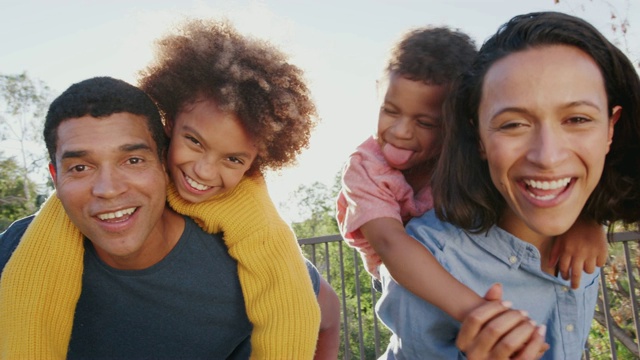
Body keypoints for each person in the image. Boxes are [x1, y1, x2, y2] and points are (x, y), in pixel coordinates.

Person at [0, 76, 340, 359]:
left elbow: (327, 314)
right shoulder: (16, 251)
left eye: (132, 160)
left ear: (163, 162)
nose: (107, 189)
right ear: (55, 177)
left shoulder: (252, 260)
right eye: (80, 167)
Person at [375, 11, 640, 359]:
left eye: (577, 119)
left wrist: (592, 219)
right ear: (479, 136)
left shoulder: (586, 215)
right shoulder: (432, 260)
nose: (548, 156)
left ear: (610, 127)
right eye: (513, 124)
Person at [336, 25, 608, 324]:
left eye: (425, 123)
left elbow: (541, 183)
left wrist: (587, 220)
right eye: (390, 110)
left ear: (461, 123)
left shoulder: (471, 152)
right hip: (403, 276)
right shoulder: (365, 167)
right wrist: (475, 311)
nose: (400, 132)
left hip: (474, 261)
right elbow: (390, 244)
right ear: (378, 91)